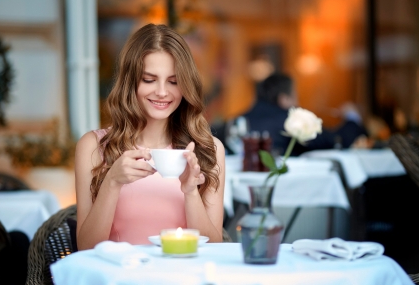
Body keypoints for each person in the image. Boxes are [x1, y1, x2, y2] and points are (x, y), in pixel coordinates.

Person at [75, 24, 225, 250]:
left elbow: (215, 249)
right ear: (130, 82)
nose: (163, 92)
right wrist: (112, 182)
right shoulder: (94, 146)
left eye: (174, 81)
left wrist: (191, 192)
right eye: (149, 79)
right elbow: (85, 248)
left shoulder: (209, 149)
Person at [242, 72, 368, 156]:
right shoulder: (290, 121)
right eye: (296, 96)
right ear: (284, 99)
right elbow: (334, 141)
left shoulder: (238, 121)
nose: (298, 103)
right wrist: (352, 117)